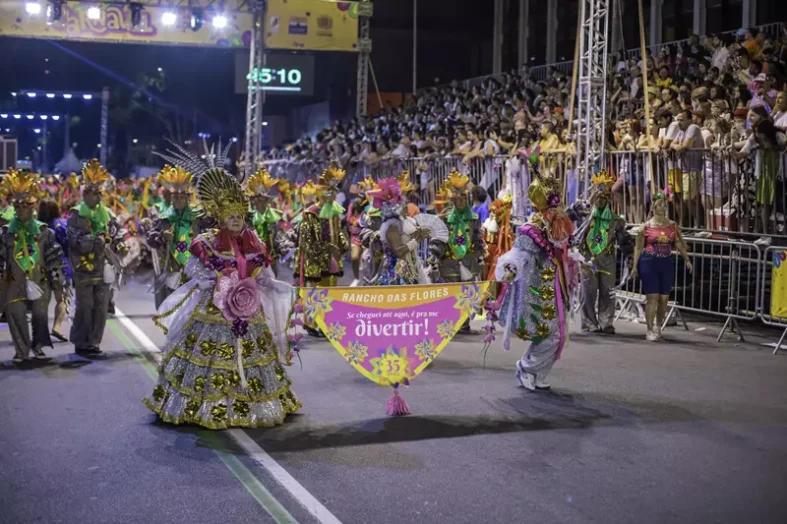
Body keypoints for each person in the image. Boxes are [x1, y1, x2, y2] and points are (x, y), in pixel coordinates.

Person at [143, 164, 299, 429]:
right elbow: (194, 269)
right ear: (221, 218)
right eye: (231, 216)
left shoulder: (253, 241)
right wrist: (211, 282)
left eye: (240, 215)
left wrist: (271, 284)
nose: (236, 220)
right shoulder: (208, 241)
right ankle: (207, 404)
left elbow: (262, 274)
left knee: (252, 355)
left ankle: (254, 402)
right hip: (214, 309)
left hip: (248, 308)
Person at [496, 171, 579, 391]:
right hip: (535, 289)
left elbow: (565, 250)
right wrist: (510, 270)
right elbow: (518, 254)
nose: (560, 210)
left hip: (554, 287)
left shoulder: (557, 228)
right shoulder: (531, 230)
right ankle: (526, 367)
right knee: (548, 333)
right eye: (555, 208)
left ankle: (538, 372)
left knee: (558, 335)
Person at [0, 170, 64, 364]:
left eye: (24, 206)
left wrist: (58, 282)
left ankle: (38, 345)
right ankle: (22, 350)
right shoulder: (5, 232)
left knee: (39, 314)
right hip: (14, 282)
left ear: (32, 207)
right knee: (16, 313)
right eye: (16, 206)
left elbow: (53, 258)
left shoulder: (44, 231)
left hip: (40, 280)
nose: (19, 210)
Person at [67, 159, 125, 358]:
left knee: (100, 308)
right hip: (83, 269)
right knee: (85, 307)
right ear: (84, 194)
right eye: (90, 192)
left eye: (98, 193)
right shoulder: (76, 214)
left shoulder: (107, 214)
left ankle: (93, 343)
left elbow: (117, 233)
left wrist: (119, 243)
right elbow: (74, 240)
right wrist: (95, 241)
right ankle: (80, 341)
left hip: (103, 268)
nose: (94, 197)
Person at [146, 165, 212, 308]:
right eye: (175, 196)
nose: (178, 200)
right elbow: (151, 239)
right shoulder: (164, 219)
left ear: (188, 198)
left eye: (182, 197)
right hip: (172, 271)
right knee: (173, 309)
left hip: (196, 271)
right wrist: (162, 237)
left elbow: (212, 235)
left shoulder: (199, 217)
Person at [632, 192, 692, 341]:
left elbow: (678, 243)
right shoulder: (645, 226)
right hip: (649, 261)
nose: (663, 206)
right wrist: (634, 266)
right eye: (659, 204)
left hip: (666, 262)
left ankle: (659, 326)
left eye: (664, 204)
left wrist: (687, 258)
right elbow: (638, 247)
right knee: (652, 297)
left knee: (664, 298)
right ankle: (649, 329)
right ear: (653, 207)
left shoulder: (672, 225)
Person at [575, 171, 628, 334]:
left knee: (608, 291)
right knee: (588, 292)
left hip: (607, 260)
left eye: (604, 197)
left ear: (609, 200)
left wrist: (632, 259)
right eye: (598, 197)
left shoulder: (615, 220)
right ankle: (590, 322)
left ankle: (606, 322)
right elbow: (574, 218)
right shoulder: (584, 218)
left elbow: (624, 242)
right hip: (588, 260)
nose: (600, 200)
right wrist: (590, 199)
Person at [367, 176, 429, 286]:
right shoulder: (391, 228)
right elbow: (399, 251)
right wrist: (417, 239)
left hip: (402, 269)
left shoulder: (397, 224)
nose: (404, 206)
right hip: (395, 273)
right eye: (401, 203)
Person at [243, 167, 292, 277]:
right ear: (254, 200)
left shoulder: (272, 216)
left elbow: (278, 237)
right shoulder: (248, 218)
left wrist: (285, 248)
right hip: (253, 261)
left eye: (265, 199)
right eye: (260, 199)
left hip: (270, 259)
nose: (263, 202)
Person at [37, 198, 71, 342]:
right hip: (58, 267)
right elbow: (67, 243)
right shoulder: (60, 224)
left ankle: (39, 331)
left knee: (42, 300)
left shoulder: (37, 226)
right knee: (61, 299)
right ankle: (56, 327)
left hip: (40, 267)